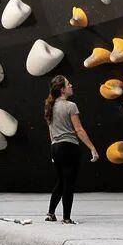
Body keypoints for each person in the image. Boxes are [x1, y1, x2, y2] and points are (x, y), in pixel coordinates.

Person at [44, 75, 99, 225]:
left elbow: (51, 132)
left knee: (61, 181)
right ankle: (66, 218)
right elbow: (79, 130)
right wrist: (92, 148)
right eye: (68, 84)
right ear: (62, 90)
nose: (71, 85)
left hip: (55, 148)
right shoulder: (71, 106)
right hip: (69, 148)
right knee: (69, 183)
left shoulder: (50, 106)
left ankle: (51, 214)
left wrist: (53, 151)